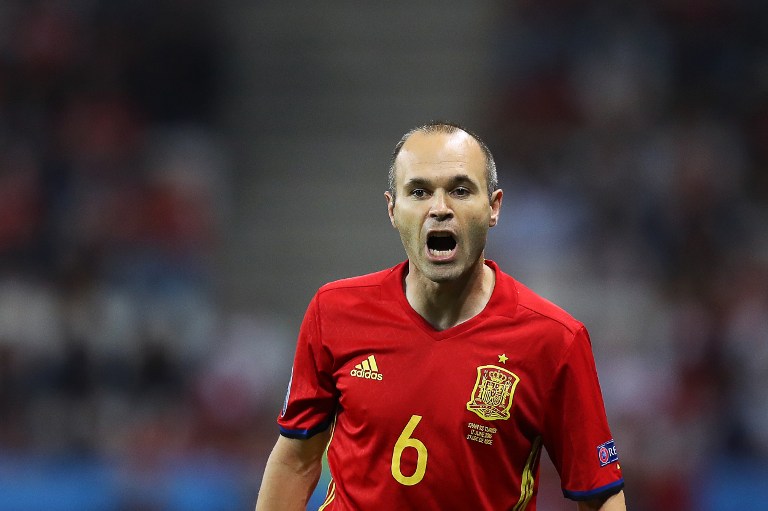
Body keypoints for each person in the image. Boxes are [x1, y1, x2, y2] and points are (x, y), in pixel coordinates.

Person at [255, 122, 626, 510]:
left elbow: (600, 494)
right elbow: (296, 460)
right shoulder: (334, 310)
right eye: (419, 192)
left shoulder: (555, 339)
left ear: (494, 207)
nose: (440, 208)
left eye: (460, 190)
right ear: (392, 209)